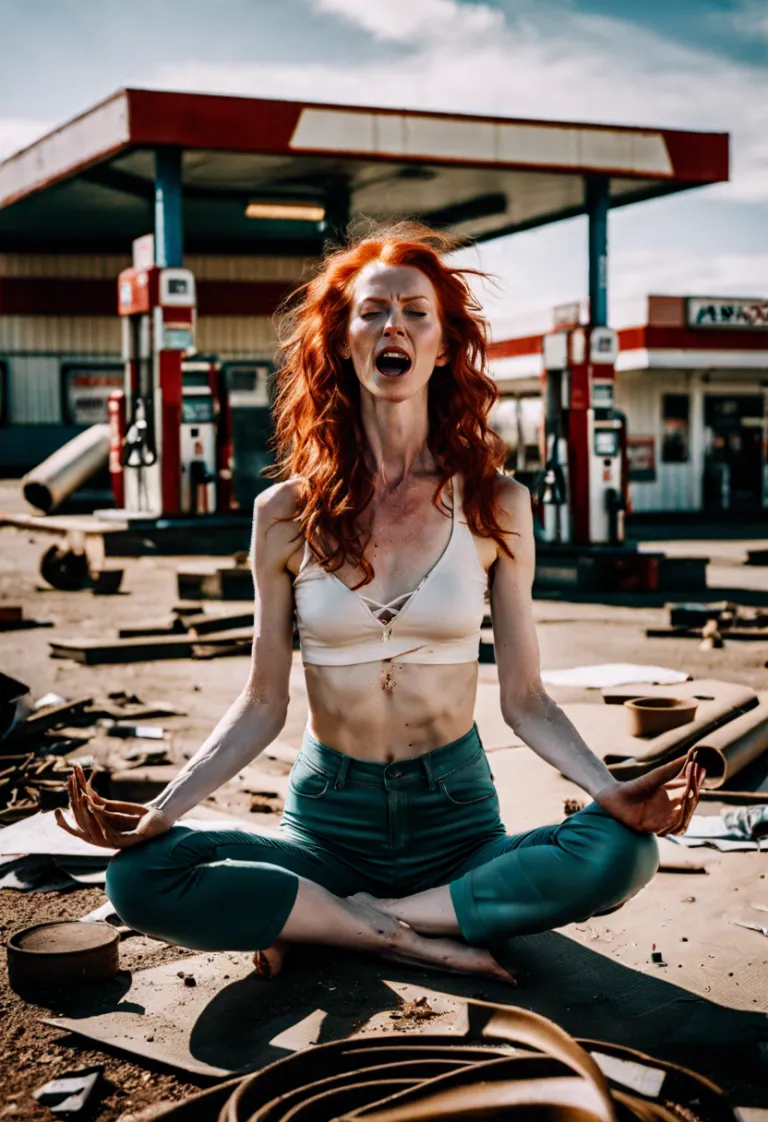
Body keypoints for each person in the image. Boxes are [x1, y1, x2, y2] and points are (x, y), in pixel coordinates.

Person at [57, 224, 704, 984]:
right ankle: (397, 932)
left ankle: (339, 917)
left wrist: (608, 790)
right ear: (341, 341)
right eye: (371, 311)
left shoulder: (499, 504)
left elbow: (526, 700)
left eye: (415, 311)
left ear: (442, 346)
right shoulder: (282, 513)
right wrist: (166, 808)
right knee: (137, 879)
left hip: (458, 823)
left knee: (622, 853)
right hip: (326, 824)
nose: (392, 324)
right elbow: (262, 704)